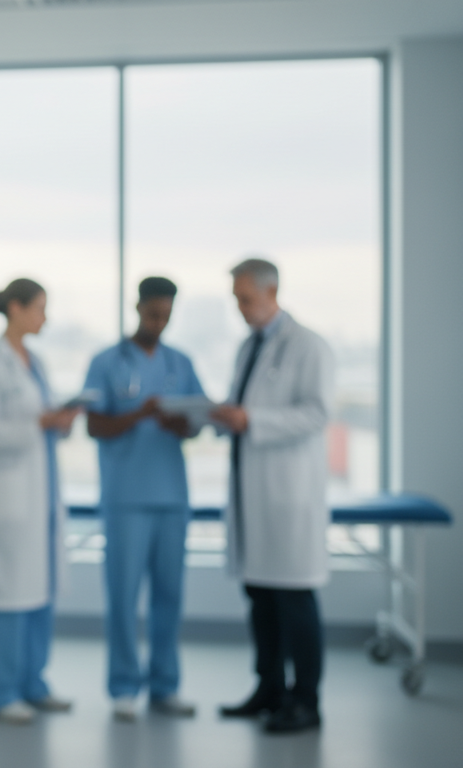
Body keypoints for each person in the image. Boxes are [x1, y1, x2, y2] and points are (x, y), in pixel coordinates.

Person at [211, 257, 333, 735]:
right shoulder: (249, 347)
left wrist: (253, 422)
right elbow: (246, 406)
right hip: (252, 495)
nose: (240, 308)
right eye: (237, 300)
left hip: (288, 496)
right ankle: (269, 689)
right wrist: (229, 419)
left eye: (245, 299)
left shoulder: (309, 346)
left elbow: (317, 414)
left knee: (294, 601)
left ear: (272, 292)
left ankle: (306, 700)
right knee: (260, 597)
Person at [83, 277, 206, 722]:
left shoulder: (181, 362)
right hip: (126, 498)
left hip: (171, 497)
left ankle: (165, 685)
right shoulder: (106, 362)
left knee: (169, 596)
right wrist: (139, 414)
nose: (159, 321)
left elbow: (198, 421)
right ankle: (122, 686)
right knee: (123, 596)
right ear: (138, 307)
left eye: (166, 314)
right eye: (153, 313)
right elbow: (94, 426)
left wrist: (180, 422)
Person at [0, 278, 78, 724]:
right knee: (6, 596)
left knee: (38, 593)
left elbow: (43, 422)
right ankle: (1, 693)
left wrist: (59, 421)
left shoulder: (37, 362)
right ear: (16, 308)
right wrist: (39, 423)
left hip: (41, 496)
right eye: (39, 308)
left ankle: (34, 682)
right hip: (7, 500)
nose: (45, 318)